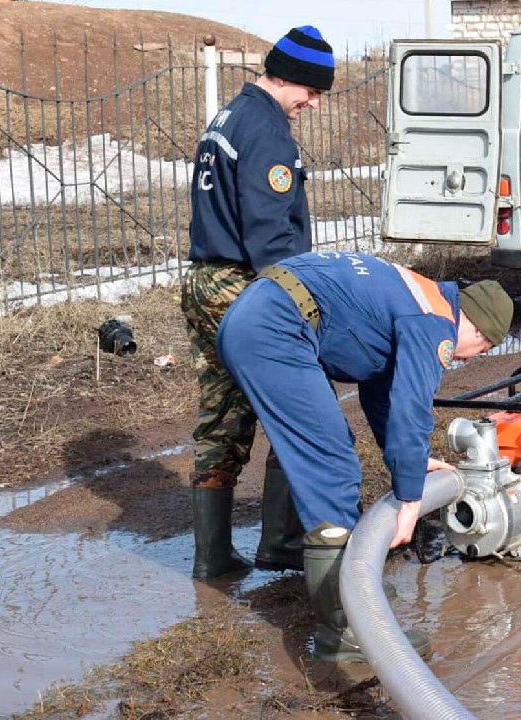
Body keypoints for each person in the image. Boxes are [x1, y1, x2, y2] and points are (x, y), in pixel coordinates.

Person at [216, 250, 513, 661]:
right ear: (480, 332)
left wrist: (411, 463)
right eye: (478, 350)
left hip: (258, 311)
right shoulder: (434, 322)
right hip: (276, 327)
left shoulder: (419, 295)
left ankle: (303, 556)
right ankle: (344, 631)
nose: (466, 359)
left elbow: (382, 392)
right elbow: (412, 407)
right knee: (331, 462)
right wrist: (410, 500)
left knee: (316, 440)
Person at [182, 25, 336, 579]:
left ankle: (212, 555)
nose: (311, 105)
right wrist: (302, 301)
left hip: (205, 280)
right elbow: (270, 235)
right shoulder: (267, 129)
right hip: (248, 287)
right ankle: (284, 540)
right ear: (291, 78)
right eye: (311, 93)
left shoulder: (228, 116)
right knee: (300, 405)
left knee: (222, 415)